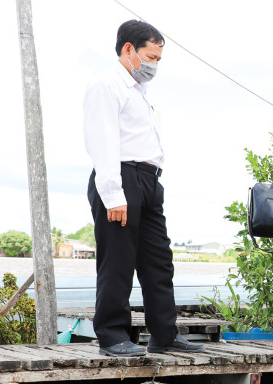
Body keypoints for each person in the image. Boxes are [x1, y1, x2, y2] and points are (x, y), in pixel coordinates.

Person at [83, 20, 204, 357]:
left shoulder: (139, 91)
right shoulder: (107, 84)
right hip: (121, 179)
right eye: (151, 57)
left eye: (159, 59)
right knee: (118, 261)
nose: (154, 65)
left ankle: (164, 334)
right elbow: (102, 141)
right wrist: (113, 194)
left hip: (149, 182)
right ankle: (111, 335)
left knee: (158, 262)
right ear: (128, 50)